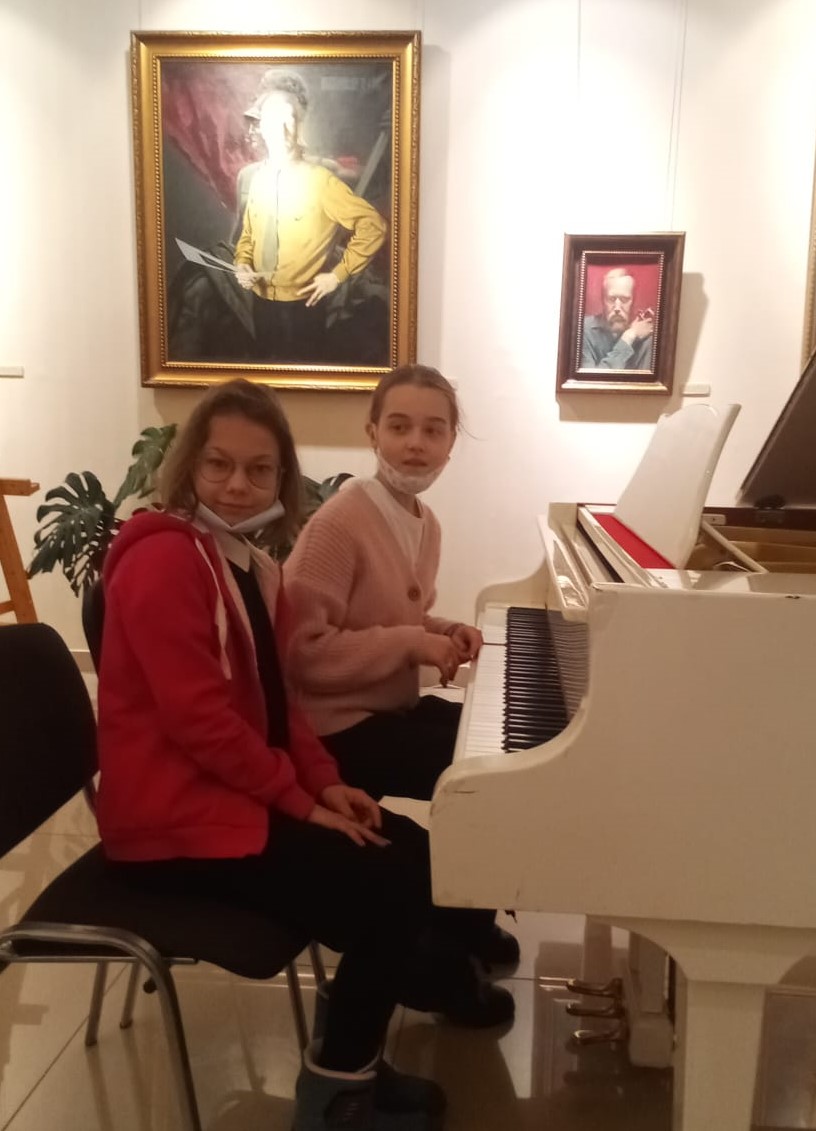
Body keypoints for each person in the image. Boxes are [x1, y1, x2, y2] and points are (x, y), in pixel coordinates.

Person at [94, 379, 505, 1131]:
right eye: (218, 465)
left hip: (224, 793)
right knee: (388, 882)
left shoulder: (247, 564)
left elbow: (281, 708)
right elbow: (201, 725)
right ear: (188, 465)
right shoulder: (164, 561)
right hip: (171, 821)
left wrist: (323, 783)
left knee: (409, 853)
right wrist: (298, 800)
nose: (237, 485)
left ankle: (350, 1052)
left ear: (282, 477)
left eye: (259, 469)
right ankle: (338, 1094)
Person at [284, 364, 520, 974]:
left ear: (450, 443)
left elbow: (395, 616)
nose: (416, 443)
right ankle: (455, 929)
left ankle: (467, 918)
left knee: (495, 750)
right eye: (399, 427)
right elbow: (302, 653)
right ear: (372, 434)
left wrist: (443, 630)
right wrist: (414, 643)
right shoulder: (338, 524)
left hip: (384, 706)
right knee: (477, 776)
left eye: (433, 430)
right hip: (333, 727)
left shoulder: (423, 522)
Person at [233, 70, 388, 362]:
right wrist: (242, 263)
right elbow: (248, 235)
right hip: (261, 305)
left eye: (290, 119)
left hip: (303, 310)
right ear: (261, 126)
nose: (283, 129)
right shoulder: (256, 179)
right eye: (273, 120)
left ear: (299, 124)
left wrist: (337, 276)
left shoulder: (321, 181)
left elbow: (373, 225)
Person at [580, 267, 654, 370]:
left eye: (624, 299)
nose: (617, 308)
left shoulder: (646, 335)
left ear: (634, 301)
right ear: (602, 300)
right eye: (611, 299)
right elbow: (590, 378)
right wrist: (628, 336)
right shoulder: (584, 330)